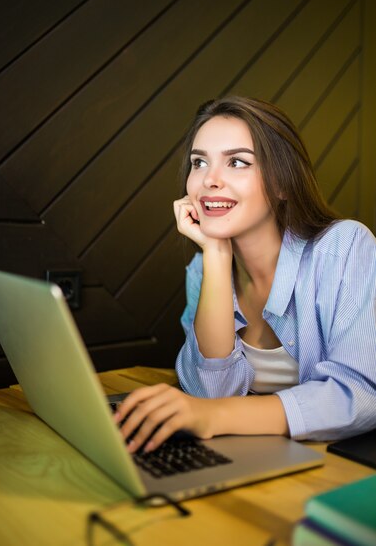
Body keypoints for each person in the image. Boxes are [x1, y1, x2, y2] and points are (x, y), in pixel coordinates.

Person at [115, 96, 376, 453]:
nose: (210, 180)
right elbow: (210, 392)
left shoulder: (345, 247)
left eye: (237, 162)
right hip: (254, 457)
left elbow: (361, 395)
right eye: (199, 162)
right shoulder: (203, 270)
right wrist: (217, 255)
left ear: (282, 184)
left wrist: (217, 416)